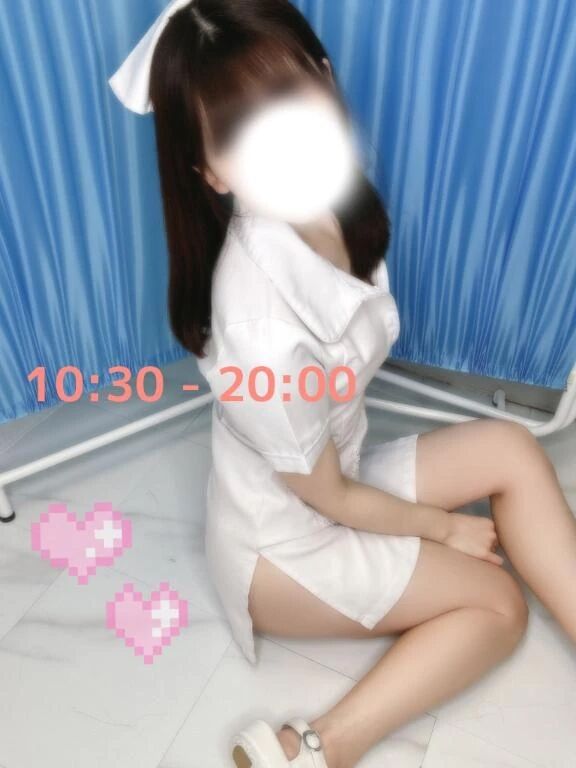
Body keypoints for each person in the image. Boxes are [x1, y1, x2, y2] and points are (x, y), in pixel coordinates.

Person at [108, 2, 576, 767]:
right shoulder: (259, 323)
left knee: (513, 448)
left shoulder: (331, 200)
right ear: (211, 170)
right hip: (286, 546)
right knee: (498, 606)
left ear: (325, 79)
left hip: (333, 474)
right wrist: (439, 528)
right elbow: (326, 498)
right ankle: (311, 750)